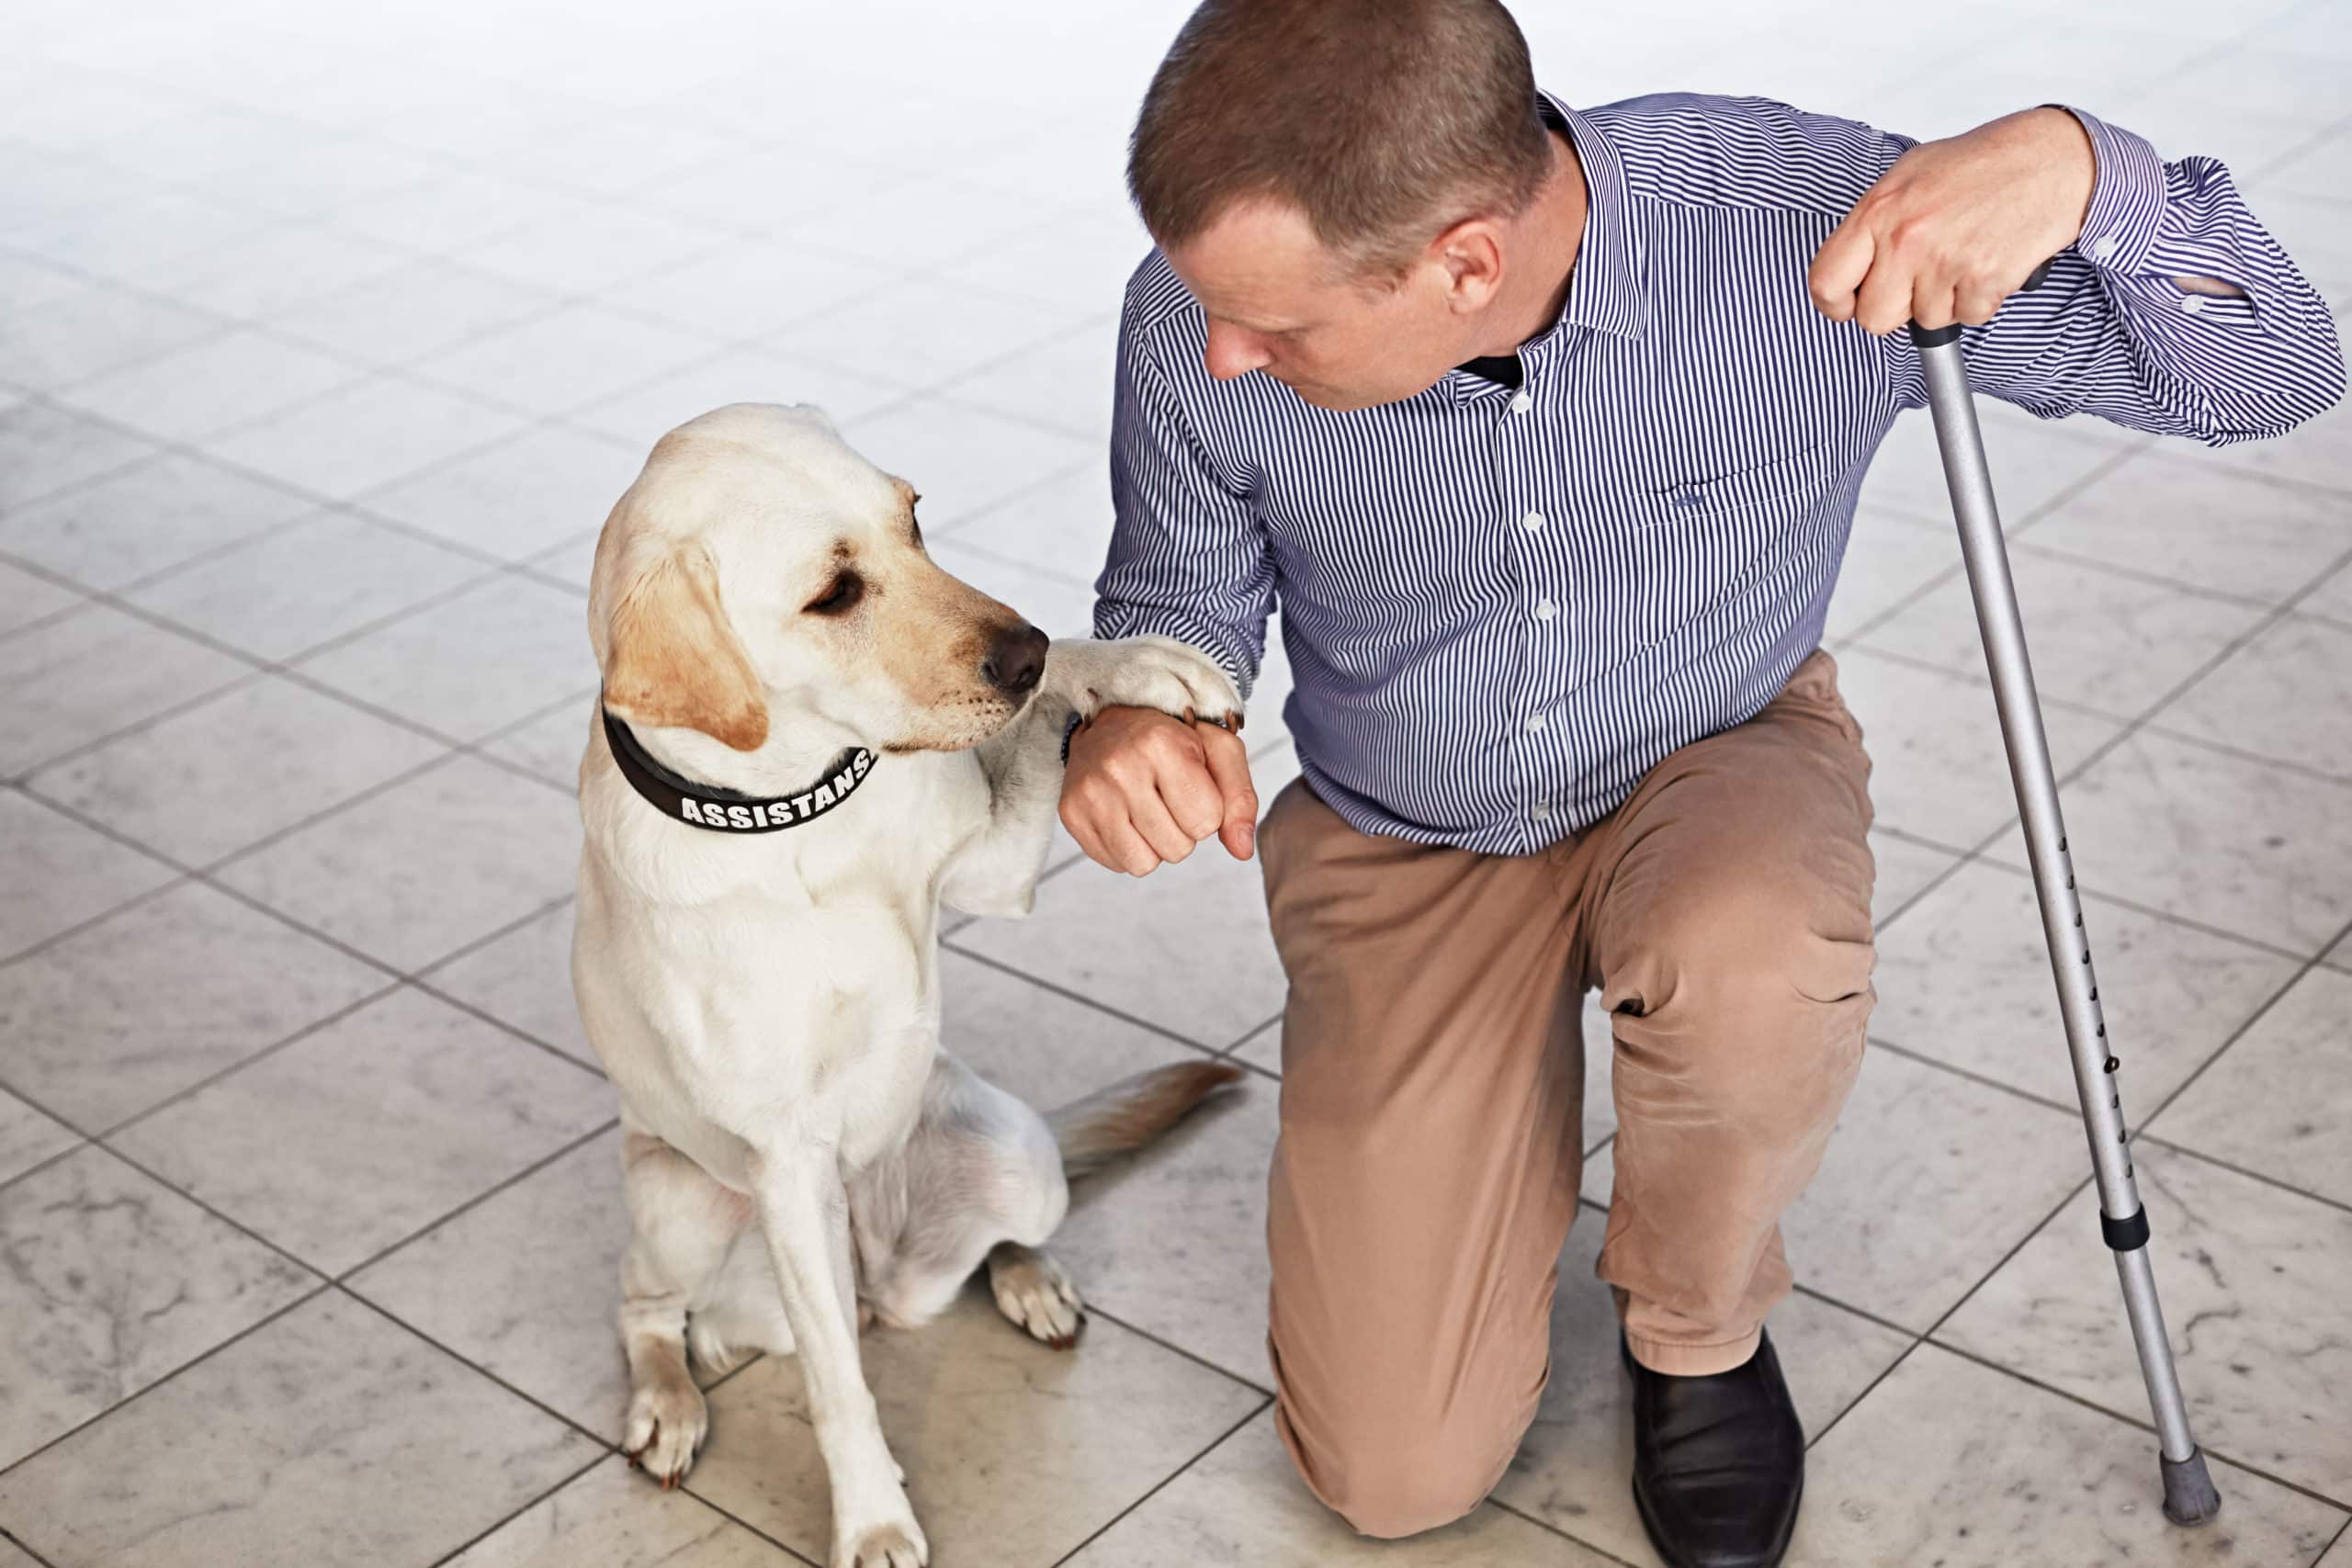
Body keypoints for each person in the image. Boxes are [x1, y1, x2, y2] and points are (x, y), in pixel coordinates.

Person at [1054, 1, 2345, 1562]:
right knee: (1393, 1477)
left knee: (1751, 955)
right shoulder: (1200, 309)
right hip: (1410, 826)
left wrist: (2086, 170)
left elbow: (2275, 372)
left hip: (1717, 750)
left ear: (1467, 260)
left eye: (1281, 328)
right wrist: (1137, 713)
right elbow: (1179, 601)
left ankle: (1698, 1330)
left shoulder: (1806, 233)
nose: (1226, 354)